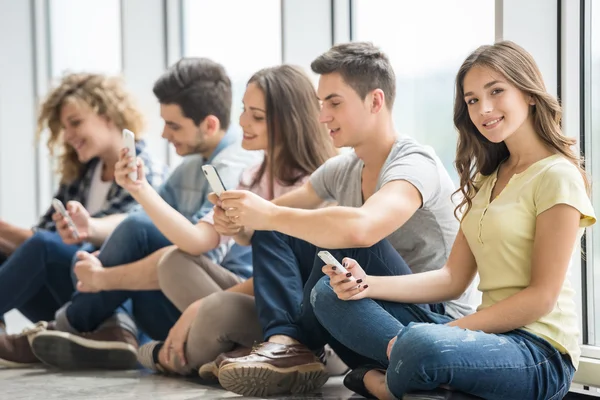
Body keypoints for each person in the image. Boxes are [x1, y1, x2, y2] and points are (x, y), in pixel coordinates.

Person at [312, 40, 596, 400]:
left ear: (529, 94)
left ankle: (384, 383)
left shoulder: (557, 175)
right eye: (473, 100)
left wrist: (449, 333)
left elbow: (541, 298)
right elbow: (453, 278)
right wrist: (368, 284)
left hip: (539, 352)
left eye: (496, 92)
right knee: (329, 294)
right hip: (483, 338)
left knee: (421, 345)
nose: (484, 109)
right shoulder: (486, 179)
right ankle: (425, 378)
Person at [211, 42, 479, 397]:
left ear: (375, 101)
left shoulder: (415, 163)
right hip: (365, 307)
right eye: (322, 104)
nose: (323, 116)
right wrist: (239, 222)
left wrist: (269, 214)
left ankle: (357, 371)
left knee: (344, 235)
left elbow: (363, 228)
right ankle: (289, 344)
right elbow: (269, 225)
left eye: (334, 103)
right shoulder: (343, 169)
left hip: (433, 319)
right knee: (280, 223)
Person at [7, 58, 259, 370]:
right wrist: (95, 234)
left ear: (208, 125)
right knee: (103, 244)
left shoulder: (234, 166)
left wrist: (103, 277)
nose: (164, 134)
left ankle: (66, 327)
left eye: (174, 125)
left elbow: (196, 248)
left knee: (123, 234)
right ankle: (99, 331)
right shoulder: (193, 166)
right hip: (178, 296)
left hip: (221, 299)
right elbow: (142, 218)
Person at [136, 64, 338, 377]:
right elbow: (202, 241)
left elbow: (291, 278)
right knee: (173, 263)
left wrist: (197, 308)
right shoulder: (250, 176)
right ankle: (235, 355)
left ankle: (180, 356)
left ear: (290, 123)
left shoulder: (314, 186)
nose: (243, 122)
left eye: (257, 116)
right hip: (261, 301)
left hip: (295, 307)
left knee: (213, 310)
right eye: (244, 110)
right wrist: (238, 230)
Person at [0, 72, 165, 366]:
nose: (68, 135)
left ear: (108, 116)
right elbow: (41, 243)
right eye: (64, 127)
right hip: (75, 295)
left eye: (75, 123)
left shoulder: (142, 169)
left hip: (114, 301)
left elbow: (119, 241)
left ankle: (110, 332)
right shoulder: (82, 174)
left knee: (41, 245)